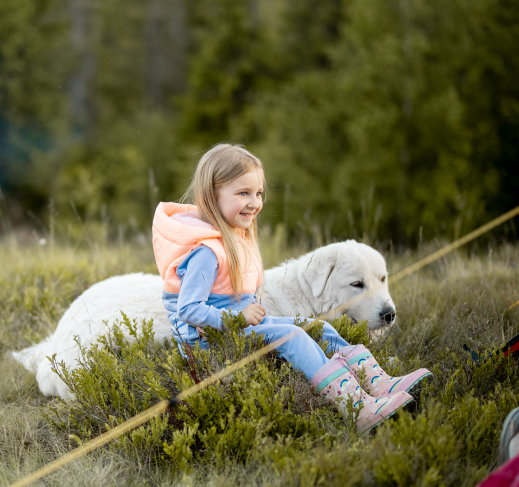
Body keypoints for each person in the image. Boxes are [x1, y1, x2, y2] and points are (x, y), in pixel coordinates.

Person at [152, 143, 431, 433]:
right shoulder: (206, 252)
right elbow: (187, 310)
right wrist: (237, 318)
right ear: (213, 194)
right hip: (211, 344)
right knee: (292, 335)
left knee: (314, 327)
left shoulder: (232, 237)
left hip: (232, 329)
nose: (254, 202)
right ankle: (357, 408)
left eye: (258, 193)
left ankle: (378, 382)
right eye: (243, 193)